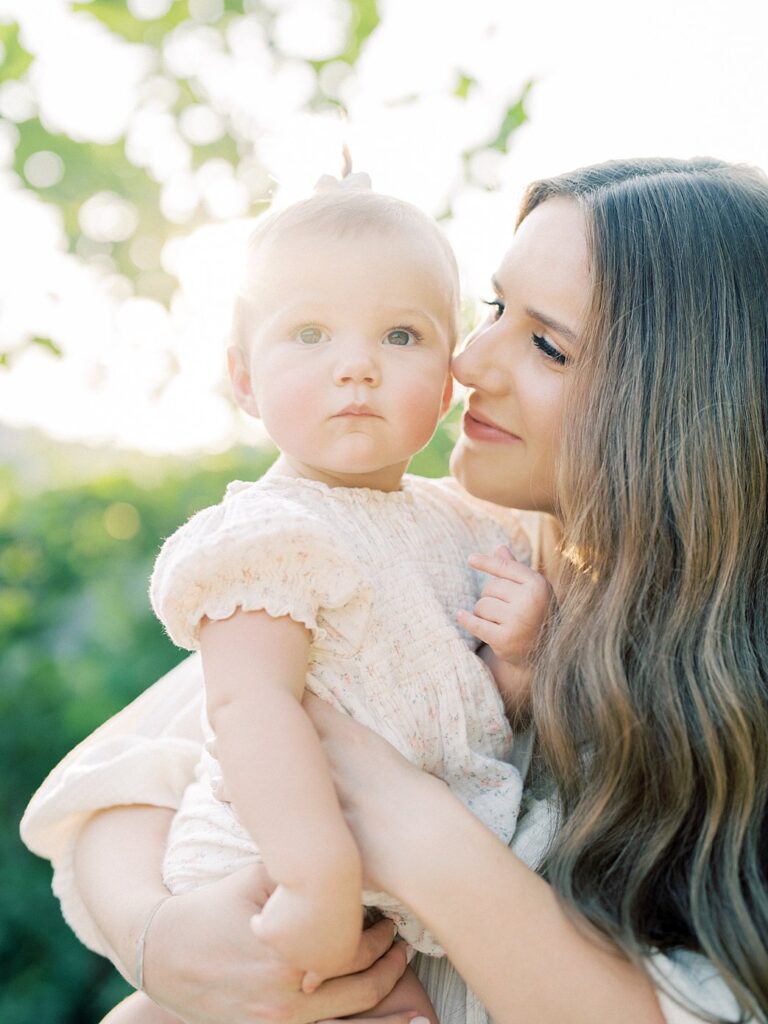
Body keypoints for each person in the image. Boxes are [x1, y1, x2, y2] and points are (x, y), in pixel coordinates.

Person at [21, 157, 768, 1024]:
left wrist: (414, 831)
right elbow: (134, 777)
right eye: (493, 310)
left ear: (683, 408)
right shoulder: (384, 541)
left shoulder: (704, 671)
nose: (471, 359)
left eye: (548, 344)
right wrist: (161, 942)